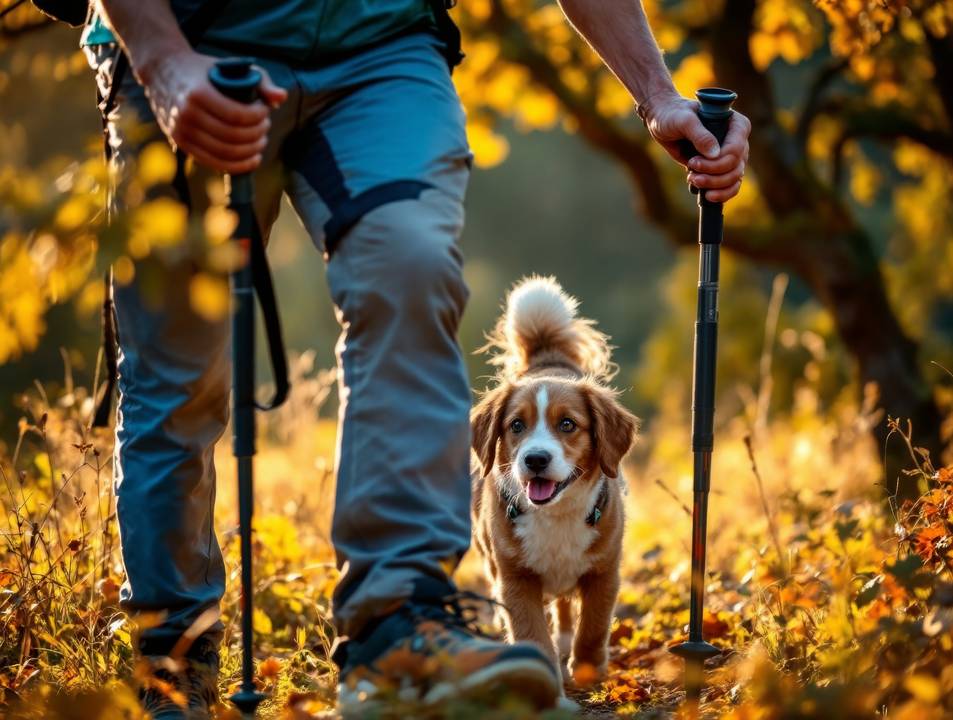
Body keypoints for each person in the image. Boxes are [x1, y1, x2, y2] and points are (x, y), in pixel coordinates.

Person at [85, 0, 750, 716]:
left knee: (413, 270)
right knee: (180, 367)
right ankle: (173, 656)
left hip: (381, 46)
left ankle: (397, 622)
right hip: (193, 44)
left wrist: (656, 94)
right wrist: (161, 61)